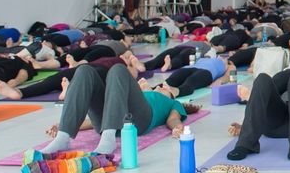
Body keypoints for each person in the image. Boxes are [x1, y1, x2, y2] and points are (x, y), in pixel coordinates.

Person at [40, 63, 194, 155]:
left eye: (165, 88)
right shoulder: (139, 91)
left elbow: (173, 119)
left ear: (171, 94)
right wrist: (67, 124)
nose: (161, 86)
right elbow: (97, 120)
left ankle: (108, 137)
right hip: (109, 119)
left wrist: (178, 128)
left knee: (118, 69)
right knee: (84, 70)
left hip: (138, 121)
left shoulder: (173, 103)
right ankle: (63, 137)